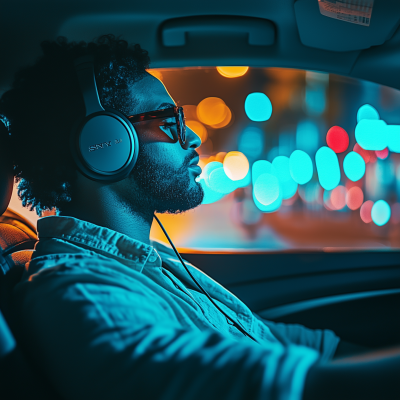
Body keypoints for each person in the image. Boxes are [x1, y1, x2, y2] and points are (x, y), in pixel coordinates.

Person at [0, 35, 398, 400]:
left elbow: (287, 343)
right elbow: (288, 387)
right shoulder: (87, 296)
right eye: (168, 121)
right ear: (104, 145)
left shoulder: (149, 260)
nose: (191, 137)